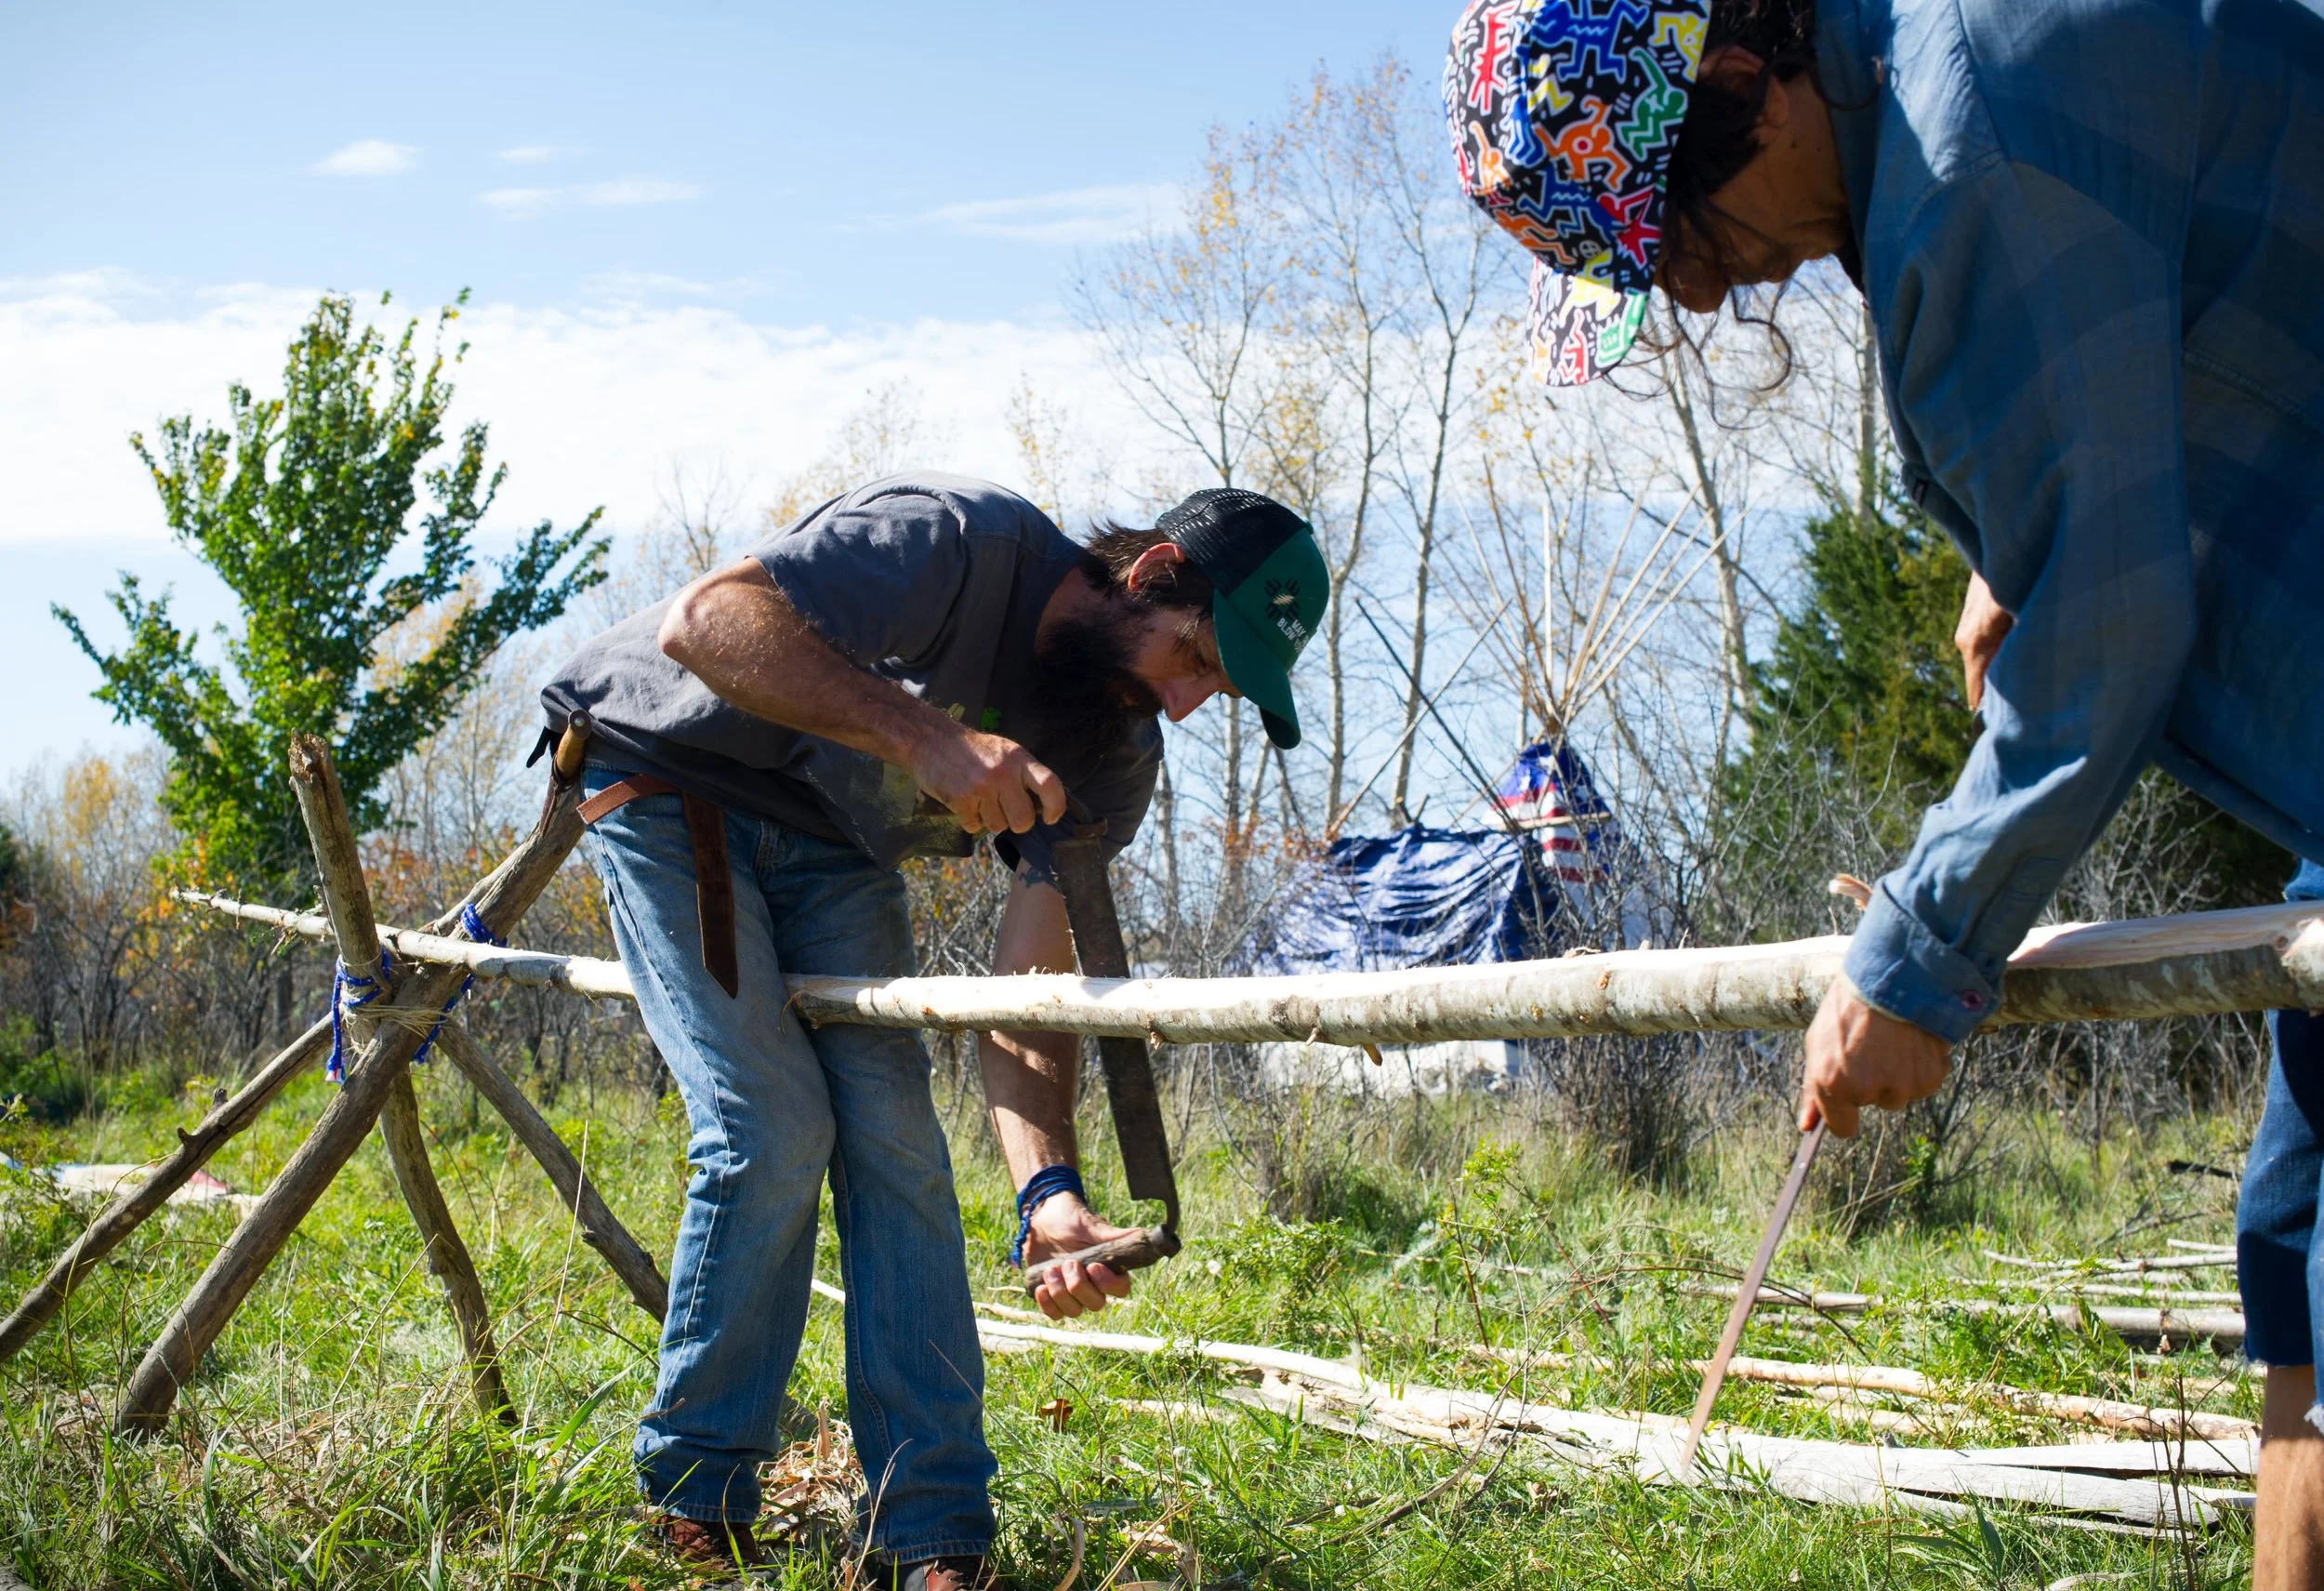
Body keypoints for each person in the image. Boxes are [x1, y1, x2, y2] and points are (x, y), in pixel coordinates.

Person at [1446, 0, 2324, 1578]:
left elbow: (2115, 619)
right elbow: (2176, 340)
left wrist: (1923, 951)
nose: (1705, 292)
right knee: (2301, 1273)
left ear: (1744, 90)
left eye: (1677, 245)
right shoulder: (1950, 84)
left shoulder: (1972, 142)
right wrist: (2025, 556)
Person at [540, 474, 1329, 1586]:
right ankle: (699, 1495)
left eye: (1222, 689)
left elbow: (1026, 985)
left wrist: (1045, 1190)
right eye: (1198, 658)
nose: (1192, 703)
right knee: (769, 1126)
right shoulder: (955, 540)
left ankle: (930, 1534)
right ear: (1151, 575)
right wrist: (928, 739)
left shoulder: (1111, 751)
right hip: (670, 771)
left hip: (830, 838)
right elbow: (705, 622)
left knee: (900, 1150)